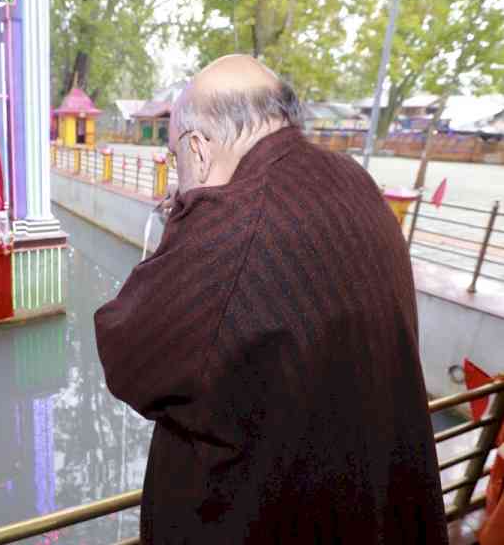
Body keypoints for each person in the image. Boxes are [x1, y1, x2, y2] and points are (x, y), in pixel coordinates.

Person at [94, 55, 448, 544]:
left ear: (197, 149)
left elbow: (128, 357)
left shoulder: (228, 227)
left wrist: (186, 218)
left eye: (179, 161)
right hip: (370, 508)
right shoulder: (355, 182)